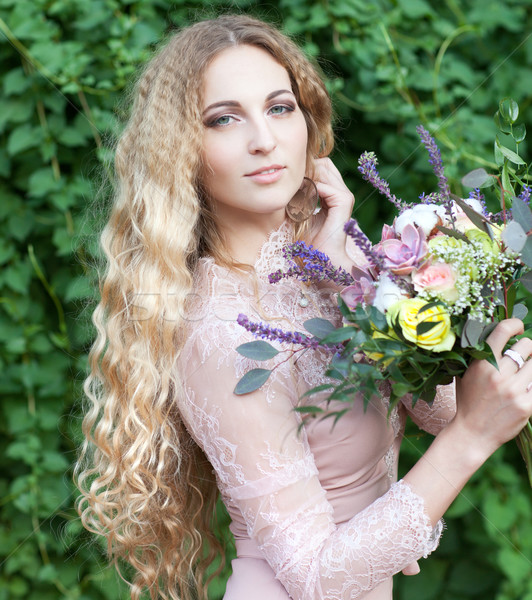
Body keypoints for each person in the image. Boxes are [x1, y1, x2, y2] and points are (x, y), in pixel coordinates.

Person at [75, 14, 532, 600]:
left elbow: (441, 412)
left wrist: (352, 285)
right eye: (224, 119)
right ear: (181, 152)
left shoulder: (329, 264)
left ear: (307, 122)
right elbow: (317, 579)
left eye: (280, 107)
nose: (263, 139)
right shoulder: (224, 337)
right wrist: (469, 439)